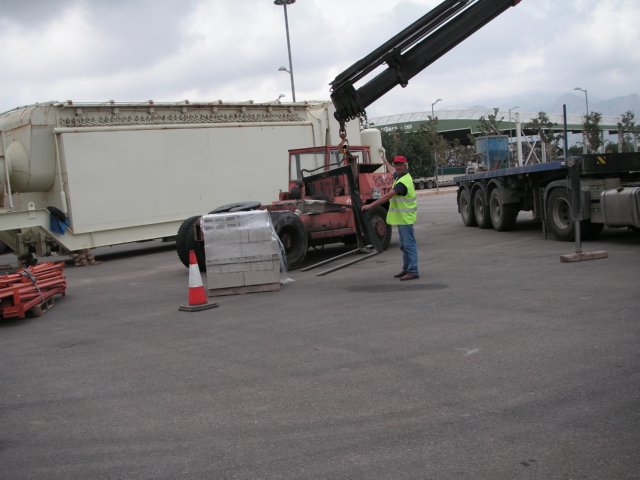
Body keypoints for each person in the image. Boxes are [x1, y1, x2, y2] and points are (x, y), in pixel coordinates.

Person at [362, 154, 419, 281]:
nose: (398, 167)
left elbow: (388, 196)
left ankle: (413, 271)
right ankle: (406, 269)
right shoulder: (399, 176)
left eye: (400, 164)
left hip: (406, 219)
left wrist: (370, 205)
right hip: (401, 219)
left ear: (405, 165)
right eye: (396, 164)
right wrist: (384, 160)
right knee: (404, 246)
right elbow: (392, 170)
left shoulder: (403, 182)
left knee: (409, 246)